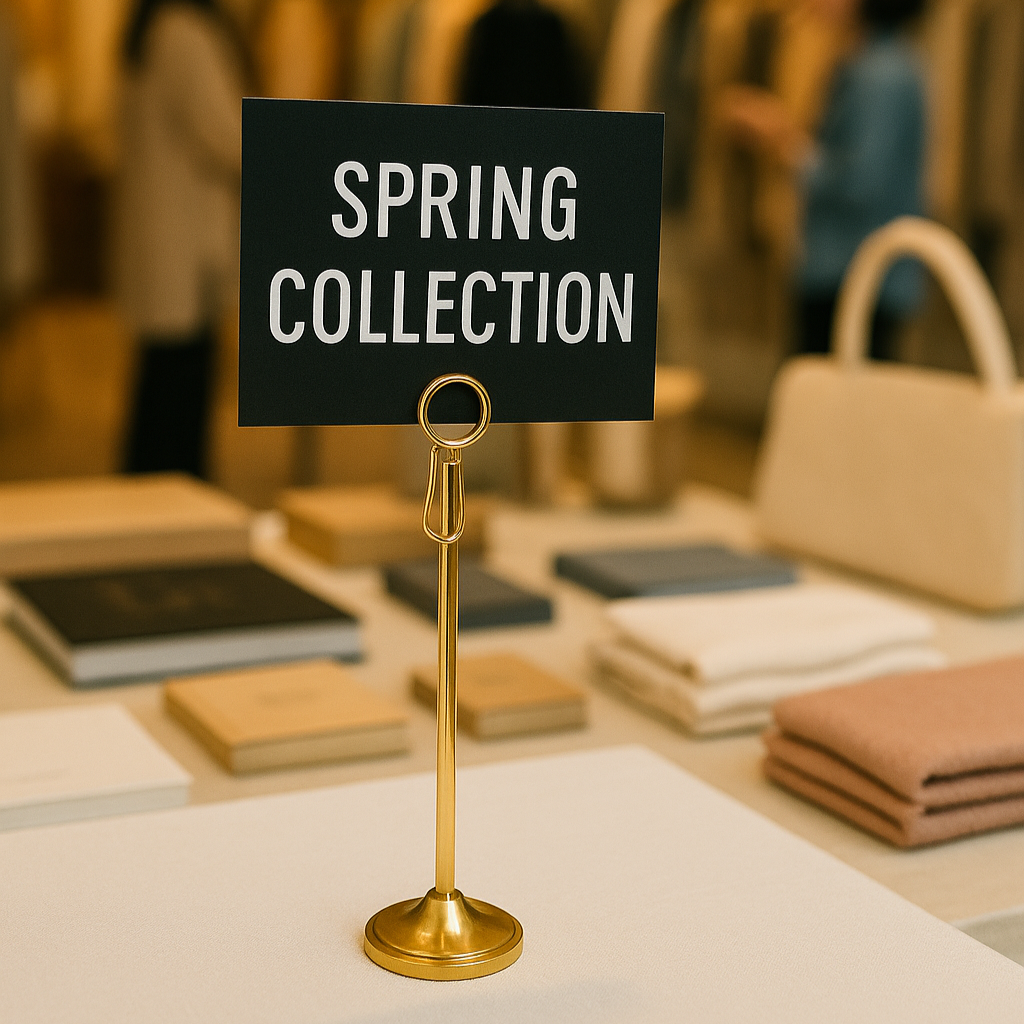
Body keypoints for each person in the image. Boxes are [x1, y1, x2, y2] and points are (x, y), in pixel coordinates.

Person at [721, 0, 928, 359]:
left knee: (831, 400)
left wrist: (781, 139)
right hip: (853, 270)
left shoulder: (881, 75)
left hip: (853, 272)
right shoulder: (872, 63)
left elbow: (860, 182)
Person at [115, 0, 245, 477]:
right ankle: (173, 502)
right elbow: (227, 136)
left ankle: (150, 496)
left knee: (161, 384)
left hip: (166, 235)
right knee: (180, 391)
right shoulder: (184, 33)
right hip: (185, 242)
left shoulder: (150, 29)